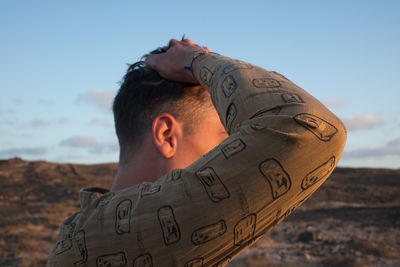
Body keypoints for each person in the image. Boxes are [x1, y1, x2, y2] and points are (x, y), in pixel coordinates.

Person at [47, 38, 346, 266]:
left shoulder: (99, 232)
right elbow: (313, 128)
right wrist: (198, 60)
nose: (232, 150)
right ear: (166, 135)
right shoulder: (106, 237)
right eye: (225, 137)